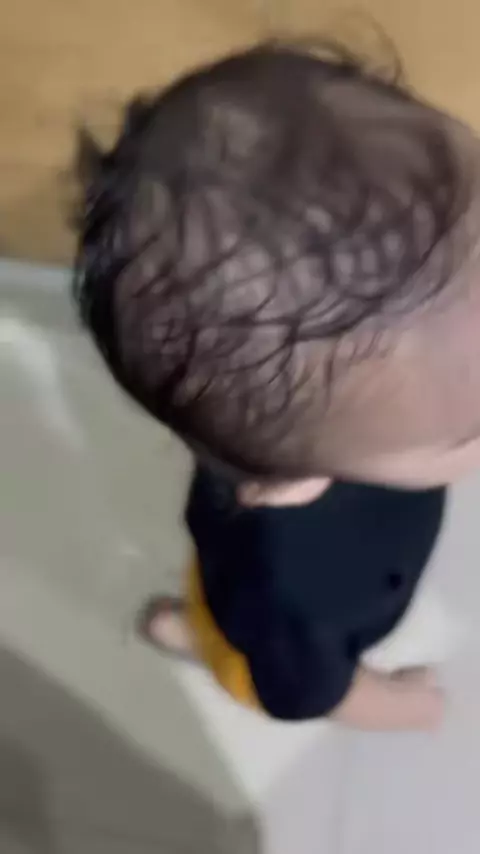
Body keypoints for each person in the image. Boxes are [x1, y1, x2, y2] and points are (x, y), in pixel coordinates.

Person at [73, 41, 480, 730]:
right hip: (260, 641)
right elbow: (310, 695)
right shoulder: (298, 595)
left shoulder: (303, 410)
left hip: (251, 529)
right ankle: (196, 637)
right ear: (292, 483)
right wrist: (402, 707)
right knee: (243, 654)